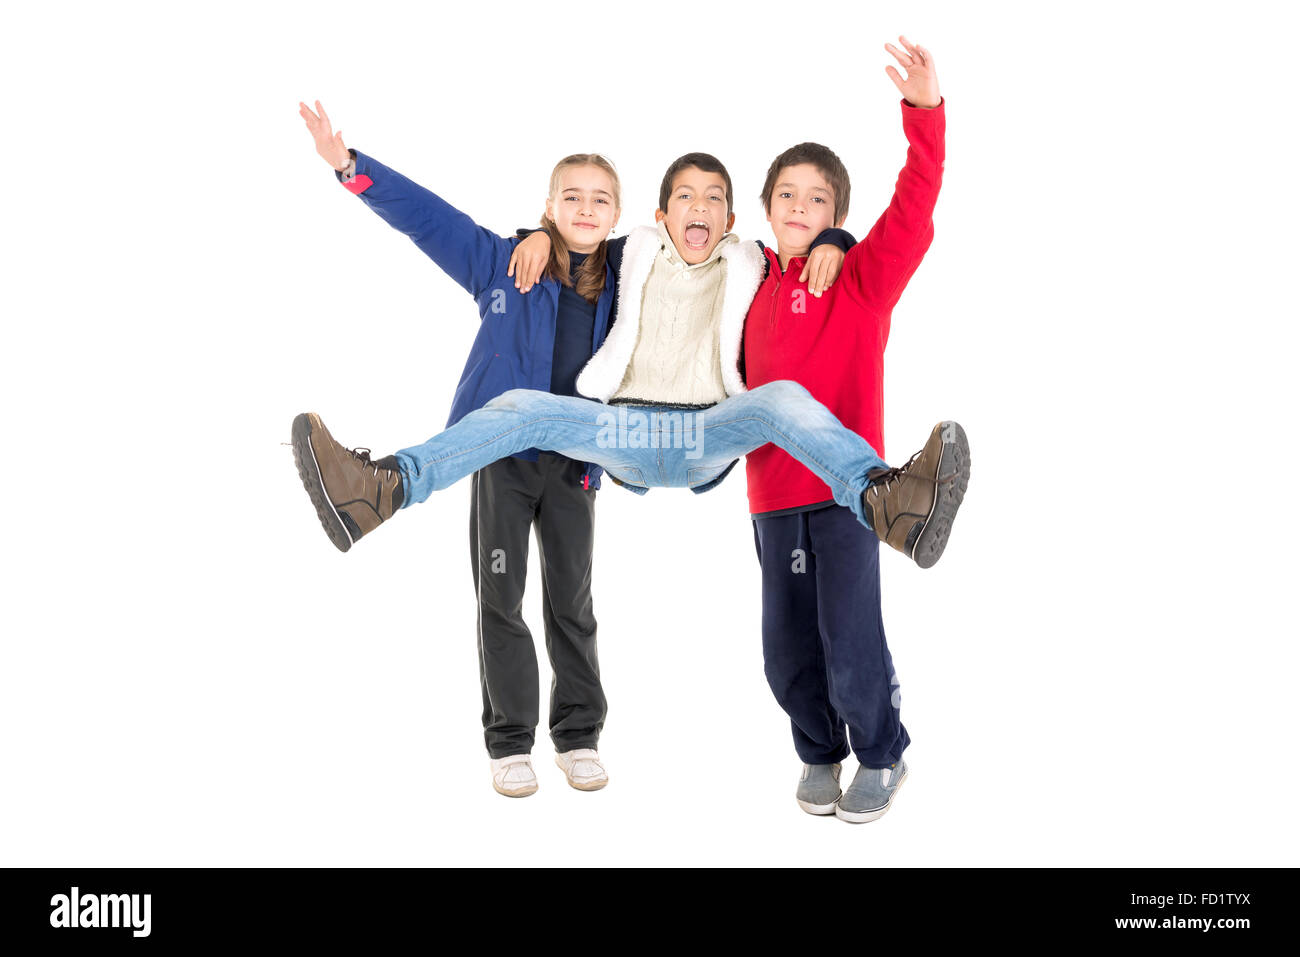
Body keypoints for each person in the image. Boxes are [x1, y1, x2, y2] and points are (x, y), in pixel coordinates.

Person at [291, 150, 969, 576]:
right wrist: (536, 232)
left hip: (705, 437)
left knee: (782, 396)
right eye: (684, 197)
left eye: (712, 199)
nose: (697, 207)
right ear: (659, 213)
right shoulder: (626, 258)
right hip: (623, 436)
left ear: (731, 219)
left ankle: (885, 499)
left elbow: (807, 241)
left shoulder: (754, 266)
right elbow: (531, 230)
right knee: (518, 408)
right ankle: (381, 489)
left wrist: (836, 238)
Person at [297, 101, 624, 798]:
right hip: (501, 462)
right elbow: (430, 219)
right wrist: (352, 170)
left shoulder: (626, 284)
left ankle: (578, 735)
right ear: (549, 204)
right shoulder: (506, 265)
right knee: (499, 598)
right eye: (571, 197)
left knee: (572, 600)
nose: (585, 208)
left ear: (616, 213)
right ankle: (510, 739)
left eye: (600, 200)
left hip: (575, 470)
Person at [744, 38, 951, 823]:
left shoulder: (861, 278)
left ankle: (883, 751)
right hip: (769, 497)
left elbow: (915, 204)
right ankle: (818, 750)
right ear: (768, 210)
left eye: (819, 202)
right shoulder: (748, 285)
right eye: (788, 196)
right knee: (786, 649)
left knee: (850, 637)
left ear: (839, 215)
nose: (801, 208)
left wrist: (925, 114)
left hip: (849, 494)